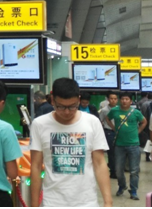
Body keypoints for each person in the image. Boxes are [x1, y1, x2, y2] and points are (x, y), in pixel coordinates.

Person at [30, 78, 112, 207]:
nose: (67, 112)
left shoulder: (92, 122)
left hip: (86, 202)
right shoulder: (39, 124)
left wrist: (108, 202)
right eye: (61, 107)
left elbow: (100, 163)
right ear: (52, 100)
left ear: (78, 100)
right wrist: (34, 205)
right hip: (52, 202)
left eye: (72, 106)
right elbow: (35, 166)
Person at [106, 92, 147, 200]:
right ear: (120, 100)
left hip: (134, 145)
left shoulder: (136, 112)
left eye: (127, 99)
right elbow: (107, 118)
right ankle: (122, 185)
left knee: (134, 170)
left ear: (130, 101)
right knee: (118, 170)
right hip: (119, 145)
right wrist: (113, 128)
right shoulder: (114, 111)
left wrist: (138, 131)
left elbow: (144, 122)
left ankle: (133, 191)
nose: (124, 101)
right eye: (123, 99)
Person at [98, 91, 119, 178]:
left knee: (118, 152)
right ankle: (113, 171)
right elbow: (100, 121)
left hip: (119, 132)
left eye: (115, 99)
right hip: (109, 132)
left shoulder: (119, 109)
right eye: (111, 99)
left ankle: (117, 169)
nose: (113, 100)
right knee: (111, 152)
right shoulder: (104, 110)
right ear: (108, 99)